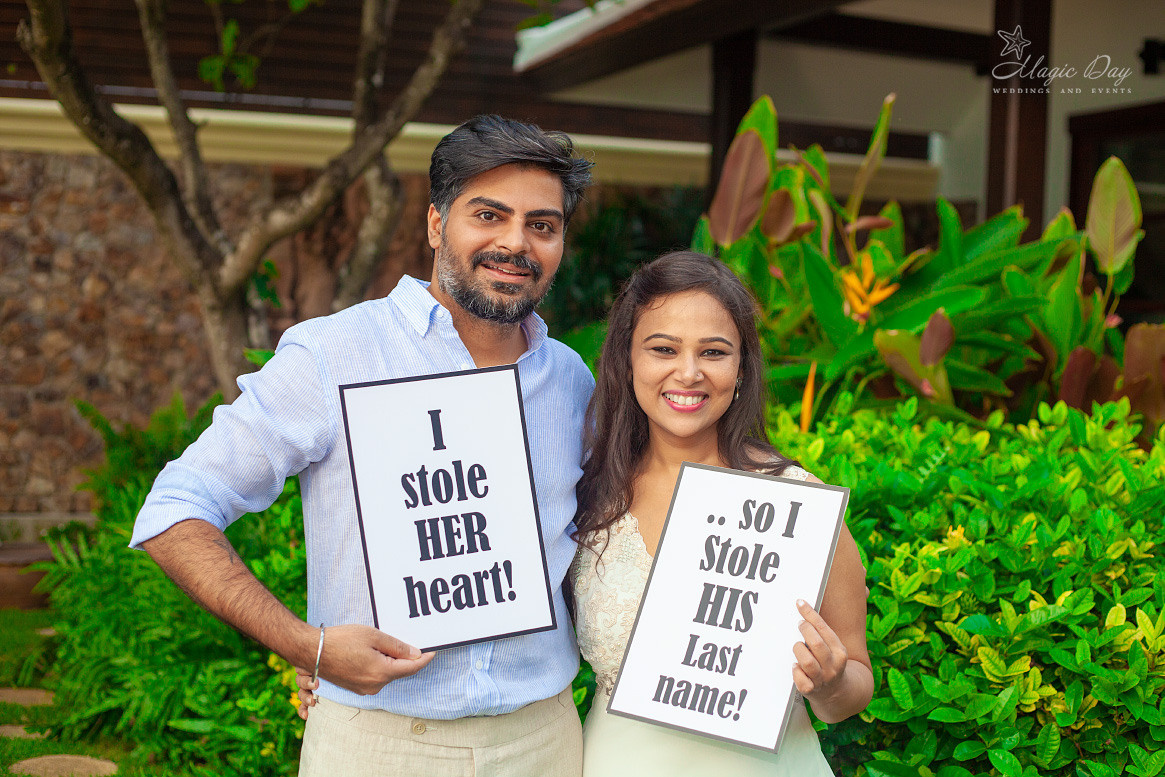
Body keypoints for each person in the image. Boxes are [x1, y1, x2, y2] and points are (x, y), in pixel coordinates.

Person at [130, 115, 595, 777]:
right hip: (379, 743)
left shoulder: (570, 379)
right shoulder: (335, 354)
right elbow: (175, 509)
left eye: (541, 224)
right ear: (436, 224)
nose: (515, 242)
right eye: (488, 215)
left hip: (545, 739)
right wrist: (306, 646)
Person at [570, 251, 872, 776]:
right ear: (627, 360)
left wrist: (831, 683)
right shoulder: (587, 494)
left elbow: (852, 687)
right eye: (663, 349)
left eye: (713, 352)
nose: (688, 373)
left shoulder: (796, 503)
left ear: (741, 366)